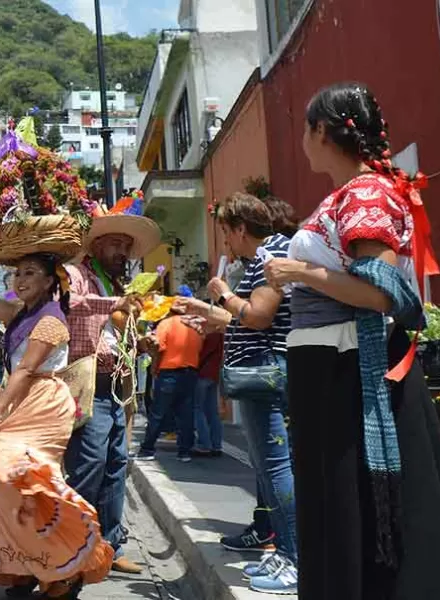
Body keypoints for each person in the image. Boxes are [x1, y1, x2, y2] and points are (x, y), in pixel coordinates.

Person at [262, 83, 440, 598]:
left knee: (349, 500)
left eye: (304, 130)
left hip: (348, 369)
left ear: (319, 130)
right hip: (331, 369)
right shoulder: (350, 194)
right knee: (337, 502)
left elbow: (379, 293)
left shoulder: (364, 193)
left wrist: (299, 271)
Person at [0, 254, 113, 598]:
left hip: (44, 403)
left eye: (30, 273)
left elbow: (27, 370)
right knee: (9, 487)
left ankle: (62, 570)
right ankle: (25, 565)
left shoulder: (50, 320)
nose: (20, 280)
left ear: (49, 282)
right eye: (17, 273)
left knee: (29, 482)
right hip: (22, 402)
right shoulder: (21, 315)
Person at [178, 191, 299, 592]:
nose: (226, 243)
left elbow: (260, 317)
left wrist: (223, 294)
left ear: (240, 228)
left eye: (227, 234)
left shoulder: (268, 257)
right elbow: (248, 322)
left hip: (265, 376)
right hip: (260, 373)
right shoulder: (264, 257)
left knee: (277, 466)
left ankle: (294, 557)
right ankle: (284, 552)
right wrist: (214, 316)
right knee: (269, 468)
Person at [63, 204, 161, 575]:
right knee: (90, 466)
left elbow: (115, 331)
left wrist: (142, 341)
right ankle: (75, 546)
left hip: (115, 388)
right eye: (116, 244)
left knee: (116, 466)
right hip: (86, 384)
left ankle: (110, 546)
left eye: (127, 246)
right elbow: (70, 304)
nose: (123, 252)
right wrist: (113, 304)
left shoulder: (115, 284)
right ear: (97, 245)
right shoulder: (77, 274)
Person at [136, 310, 203, 462]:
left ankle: (147, 449)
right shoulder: (194, 326)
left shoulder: (167, 324)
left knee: (157, 412)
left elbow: (157, 345)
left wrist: (154, 367)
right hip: (190, 372)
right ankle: (185, 451)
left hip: (169, 372)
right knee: (186, 413)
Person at [192, 331, 224, 457]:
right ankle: (217, 445)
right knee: (212, 412)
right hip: (214, 374)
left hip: (202, 374)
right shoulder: (221, 335)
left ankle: (204, 444)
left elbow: (200, 355)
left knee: (197, 408)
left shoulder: (209, 335)